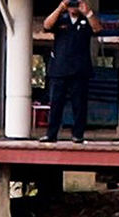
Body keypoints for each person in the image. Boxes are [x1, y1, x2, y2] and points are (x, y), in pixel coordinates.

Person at [39, 0, 102, 143]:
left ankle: (78, 134)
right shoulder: (61, 19)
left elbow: (98, 29)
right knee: (56, 103)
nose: (74, 6)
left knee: (79, 104)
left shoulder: (86, 21)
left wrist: (88, 12)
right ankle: (51, 134)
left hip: (80, 70)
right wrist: (60, 8)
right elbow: (46, 25)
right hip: (59, 69)